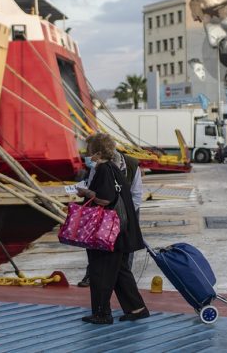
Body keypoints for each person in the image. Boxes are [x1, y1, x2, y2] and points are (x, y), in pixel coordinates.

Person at [75, 133, 149, 324]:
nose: (86, 154)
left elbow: (105, 199)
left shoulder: (103, 170)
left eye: (89, 151)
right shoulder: (114, 168)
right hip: (120, 229)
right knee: (120, 270)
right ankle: (136, 308)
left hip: (106, 231)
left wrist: (86, 192)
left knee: (101, 270)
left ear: (98, 153)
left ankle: (102, 313)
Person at [77, 148, 143, 286]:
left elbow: (136, 195)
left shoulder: (131, 166)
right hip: (104, 213)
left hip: (125, 212)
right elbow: (93, 186)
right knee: (96, 244)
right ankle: (92, 275)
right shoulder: (98, 166)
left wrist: (125, 214)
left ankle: (122, 279)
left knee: (124, 248)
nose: (90, 158)